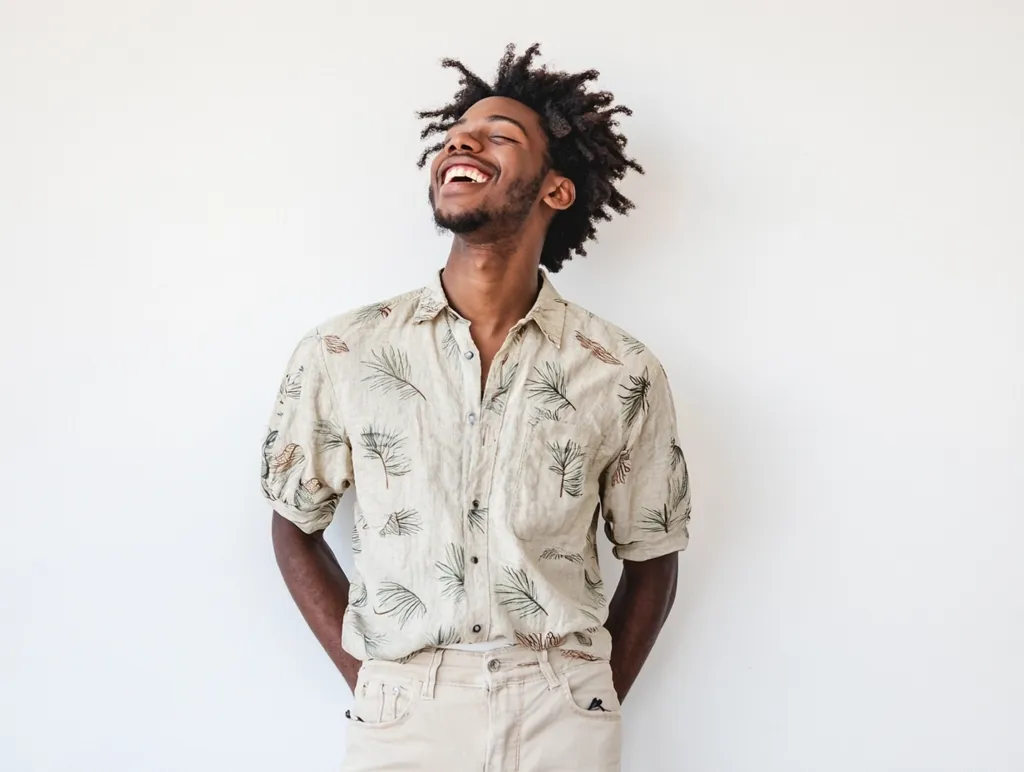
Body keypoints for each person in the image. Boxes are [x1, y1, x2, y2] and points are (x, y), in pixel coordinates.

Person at [262, 43, 691, 771]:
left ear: (555, 191)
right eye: (457, 133)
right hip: (404, 711)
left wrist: (591, 696)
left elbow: (652, 558)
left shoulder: (619, 370)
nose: (462, 140)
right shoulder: (343, 352)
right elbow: (293, 525)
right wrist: (373, 677)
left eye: (499, 135)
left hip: (562, 712)